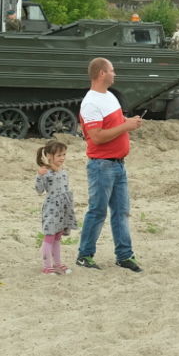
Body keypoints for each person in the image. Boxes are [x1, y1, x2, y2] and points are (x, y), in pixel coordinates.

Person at [76, 57, 143, 272]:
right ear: (102, 74)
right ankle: (84, 255)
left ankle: (124, 255)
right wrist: (127, 127)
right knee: (97, 211)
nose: (115, 74)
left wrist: (127, 121)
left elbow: (116, 123)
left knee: (121, 211)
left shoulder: (110, 97)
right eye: (112, 70)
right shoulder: (91, 102)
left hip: (117, 164)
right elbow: (97, 137)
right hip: (102, 165)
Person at [35, 140, 75, 275]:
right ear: (49, 156)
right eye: (59, 155)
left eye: (64, 154)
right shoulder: (46, 173)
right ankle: (47, 266)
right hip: (51, 208)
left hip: (63, 208)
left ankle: (57, 264)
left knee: (58, 237)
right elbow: (39, 190)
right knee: (50, 236)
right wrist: (39, 176)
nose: (62, 158)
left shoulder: (64, 172)